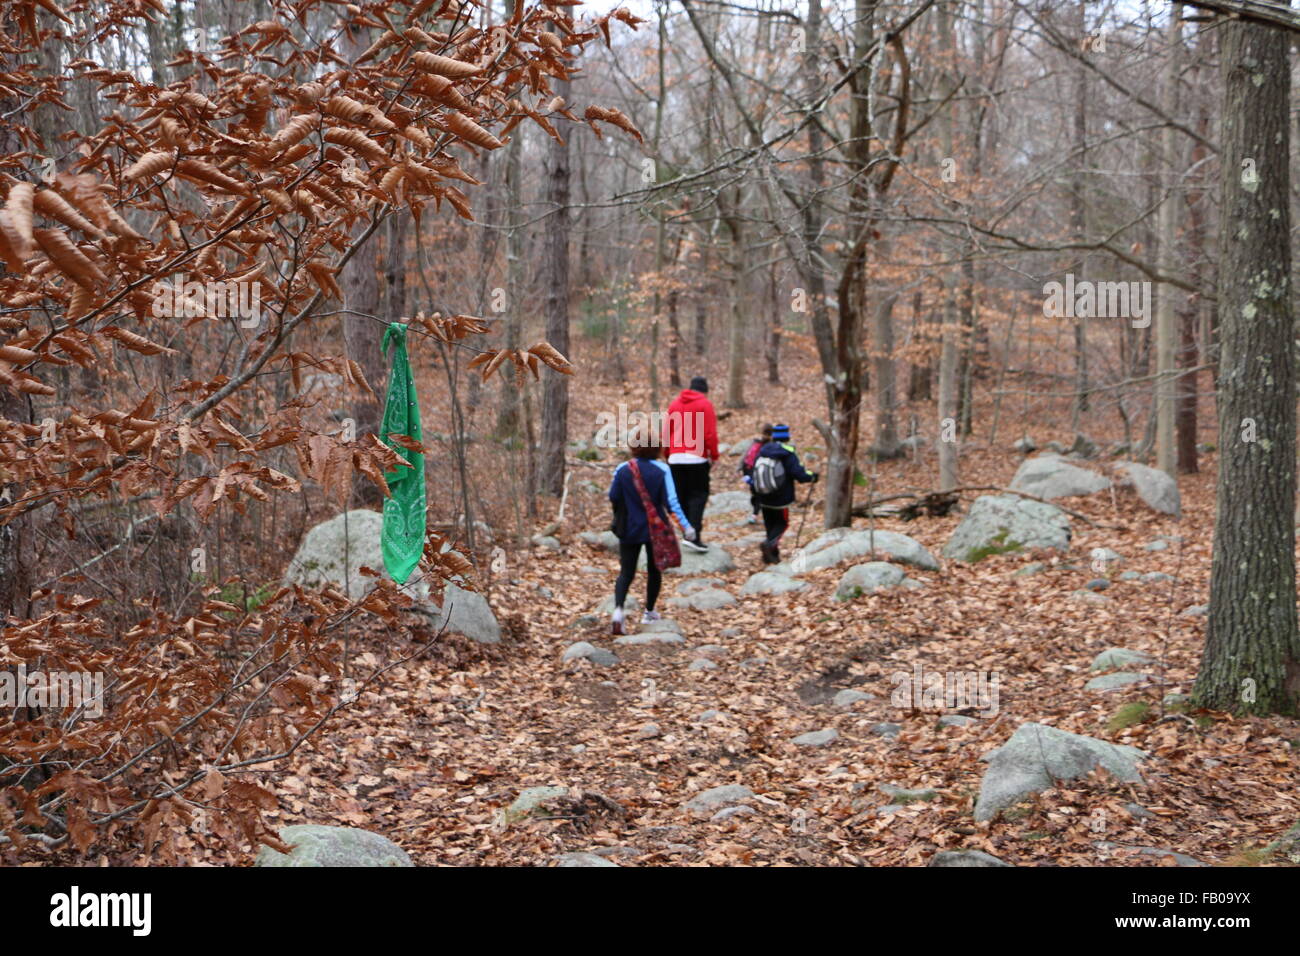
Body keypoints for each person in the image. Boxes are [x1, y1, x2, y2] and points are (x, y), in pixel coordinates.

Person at [607, 434, 696, 635]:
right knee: (654, 570)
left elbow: (613, 496)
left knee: (626, 572)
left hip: (628, 527)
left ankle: (618, 612)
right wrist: (686, 527)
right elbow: (671, 502)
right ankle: (649, 612)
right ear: (657, 449)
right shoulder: (662, 470)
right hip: (655, 530)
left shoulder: (622, 470)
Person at [665, 375, 719, 552]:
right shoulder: (705, 404)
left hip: (675, 457)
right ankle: (694, 535)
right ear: (705, 391)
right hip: (696, 456)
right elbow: (710, 434)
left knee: (681, 496)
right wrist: (714, 455)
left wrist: (667, 454)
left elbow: (667, 432)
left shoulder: (674, 404)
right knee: (698, 495)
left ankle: (687, 533)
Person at [751, 423, 817, 565]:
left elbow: (753, 471)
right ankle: (769, 546)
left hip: (763, 495)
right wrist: (812, 476)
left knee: (770, 525)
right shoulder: (787, 453)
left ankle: (772, 556)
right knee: (783, 524)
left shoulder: (763, 450)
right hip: (781, 498)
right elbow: (799, 474)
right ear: (787, 437)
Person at [739, 423, 774, 524]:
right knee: (757, 494)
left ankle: (755, 514)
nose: (765, 436)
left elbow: (745, 456)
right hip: (752, 471)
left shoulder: (760, 443)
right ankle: (756, 513)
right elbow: (747, 455)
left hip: (752, 471)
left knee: (757, 494)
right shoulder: (760, 443)